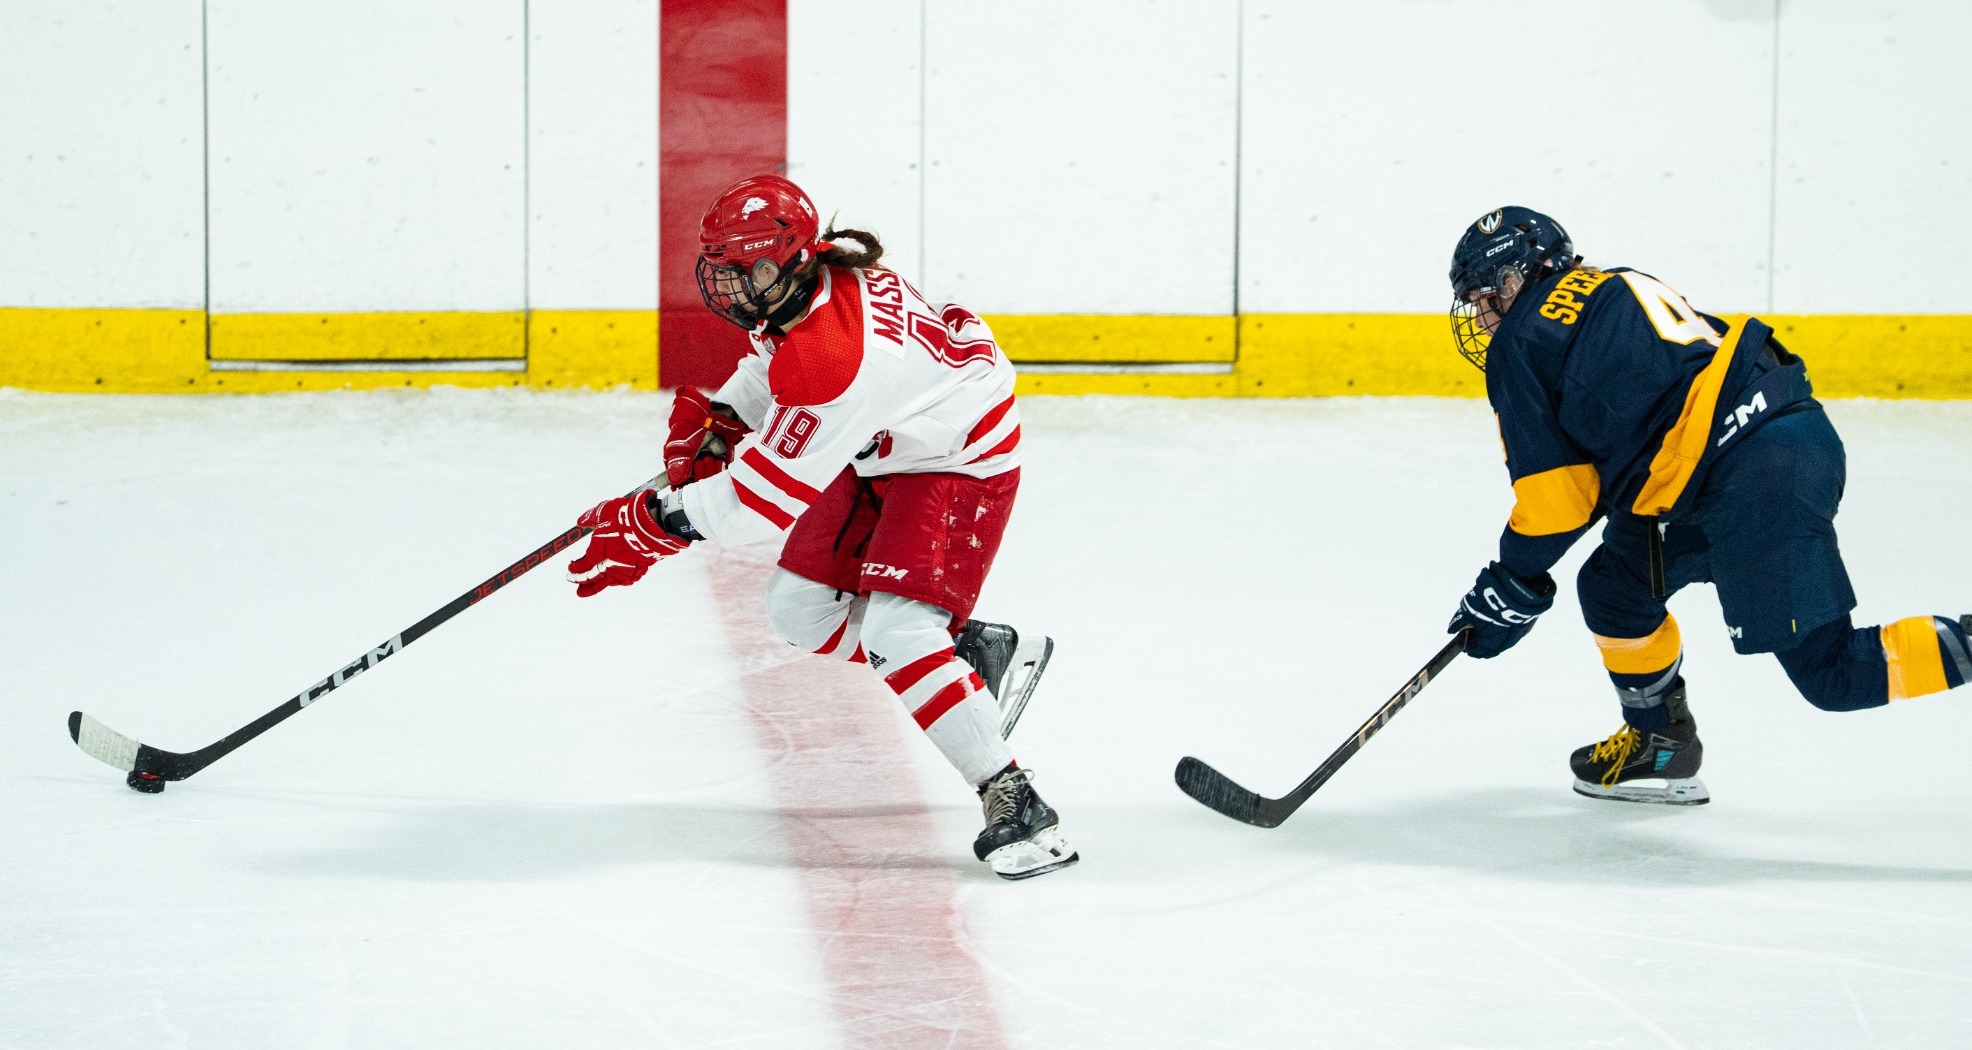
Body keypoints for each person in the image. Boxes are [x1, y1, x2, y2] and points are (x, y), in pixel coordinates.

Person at [563, 174, 1076, 879]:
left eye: (749, 271)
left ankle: (1015, 798)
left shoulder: (839, 360)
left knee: (899, 634)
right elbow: (776, 364)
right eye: (726, 269)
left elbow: (760, 504)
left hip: (957, 458)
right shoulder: (814, 291)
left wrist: (657, 523)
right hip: (883, 442)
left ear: (792, 260)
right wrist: (724, 417)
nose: (733, 287)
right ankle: (971, 650)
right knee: (801, 612)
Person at [1443, 206, 1970, 805]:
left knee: (1835, 675)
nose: (1482, 316)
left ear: (1518, 279)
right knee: (1616, 588)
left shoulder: (1521, 339)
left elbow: (1559, 497)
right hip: (1757, 451)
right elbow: (1618, 449)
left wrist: (1512, 578)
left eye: (1486, 294)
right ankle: (1661, 741)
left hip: (1752, 478)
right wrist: (1518, 581)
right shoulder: (1613, 282)